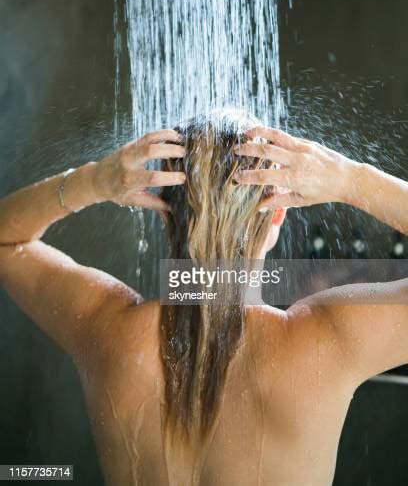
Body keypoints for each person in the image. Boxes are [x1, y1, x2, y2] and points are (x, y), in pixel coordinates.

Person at [0, 109, 407, 486]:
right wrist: (349, 179)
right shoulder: (327, 341)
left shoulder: (106, 328)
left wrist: (93, 181)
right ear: (279, 212)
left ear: (161, 211)